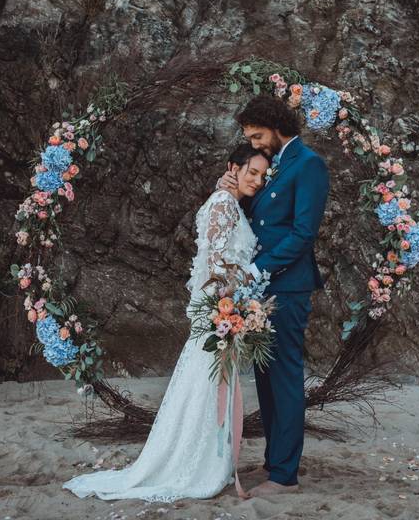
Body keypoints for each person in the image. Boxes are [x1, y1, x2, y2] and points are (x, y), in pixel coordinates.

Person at [62, 144, 270, 502]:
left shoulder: (230, 202)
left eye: (263, 176)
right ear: (232, 168)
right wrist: (233, 307)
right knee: (205, 387)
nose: (258, 180)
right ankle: (193, 465)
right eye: (252, 172)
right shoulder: (222, 204)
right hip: (219, 313)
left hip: (223, 311)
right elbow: (217, 265)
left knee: (206, 389)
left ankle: (207, 461)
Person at [217, 95, 330, 497]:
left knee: (283, 379)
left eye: (258, 135)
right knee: (266, 379)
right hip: (261, 289)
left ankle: (285, 476)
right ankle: (274, 463)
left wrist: (258, 270)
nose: (256, 143)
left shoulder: (309, 165)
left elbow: (303, 234)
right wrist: (235, 195)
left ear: (276, 124)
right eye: (249, 137)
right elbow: (261, 222)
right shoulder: (276, 166)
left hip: (287, 287)